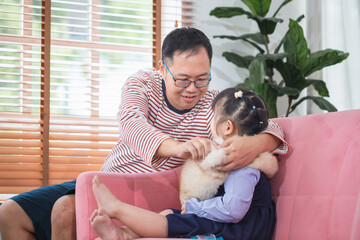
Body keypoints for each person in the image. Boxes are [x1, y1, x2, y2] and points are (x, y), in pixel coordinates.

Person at [0, 27, 288, 240]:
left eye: (202, 78)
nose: (192, 89)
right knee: (9, 214)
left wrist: (256, 144)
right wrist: (175, 147)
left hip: (153, 188)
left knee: (65, 209)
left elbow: (264, 123)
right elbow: (131, 122)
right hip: (111, 176)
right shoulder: (142, 84)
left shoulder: (214, 105)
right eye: (183, 79)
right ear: (162, 69)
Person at [89, 88, 277, 240]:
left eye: (213, 116)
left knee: (178, 221)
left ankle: (118, 209)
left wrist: (197, 207)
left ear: (227, 127)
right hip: (233, 224)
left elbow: (233, 210)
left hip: (241, 232)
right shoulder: (232, 155)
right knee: (170, 213)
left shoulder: (244, 165)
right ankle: (124, 235)